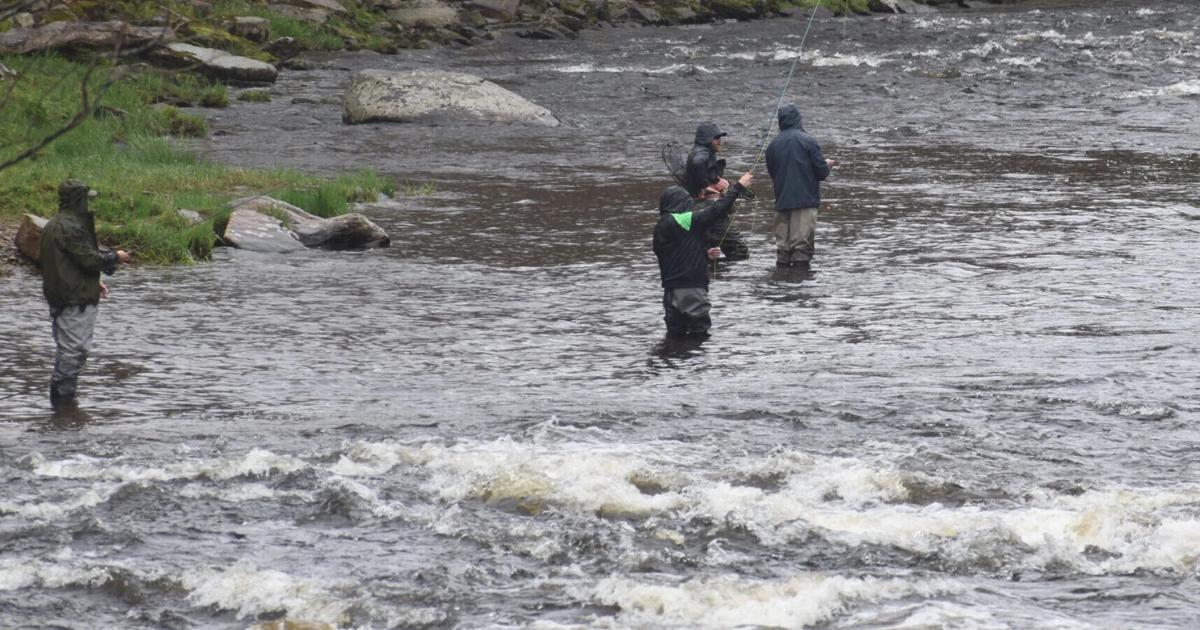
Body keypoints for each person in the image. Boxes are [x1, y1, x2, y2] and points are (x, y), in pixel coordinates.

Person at [39, 180, 130, 408]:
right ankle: (63, 405)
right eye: (86, 199)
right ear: (78, 200)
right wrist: (115, 257)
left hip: (66, 296)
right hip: (72, 301)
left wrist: (94, 281)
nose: (88, 204)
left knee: (71, 351)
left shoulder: (56, 224)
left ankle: (64, 409)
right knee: (74, 352)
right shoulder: (70, 227)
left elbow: (70, 262)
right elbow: (90, 260)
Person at [653, 171, 754, 338]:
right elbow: (716, 211)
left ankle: (670, 361)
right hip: (690, 290)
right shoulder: (680, 220)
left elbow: (676, 255)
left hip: (671, 292)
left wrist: (704, 255)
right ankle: (698, 365)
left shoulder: (663, 225)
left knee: (675, 337)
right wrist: (739, 187)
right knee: (699, 336)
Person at [765, 103, 835, 267]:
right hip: (804, 204)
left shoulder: (771, 146)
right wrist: (827, 164)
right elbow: (822, 173)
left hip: (781, 203)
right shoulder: (808, 141)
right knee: (801, 250)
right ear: (798, 120)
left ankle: (781, 288)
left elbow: (773, 174)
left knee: (783, 252)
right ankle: (800, 288)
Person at [684, 122, 750, 261]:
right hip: (711, 212)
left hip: (702, 211)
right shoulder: (702, 155)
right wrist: (706, 187)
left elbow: (705, 177)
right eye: (716, 138)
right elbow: (697, 164)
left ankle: (714, 275)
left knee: (708, 252)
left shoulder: (703, 153)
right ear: (706, 139)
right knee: (740, 251)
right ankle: (725, 278)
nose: (720, 141)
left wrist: (723, 183)